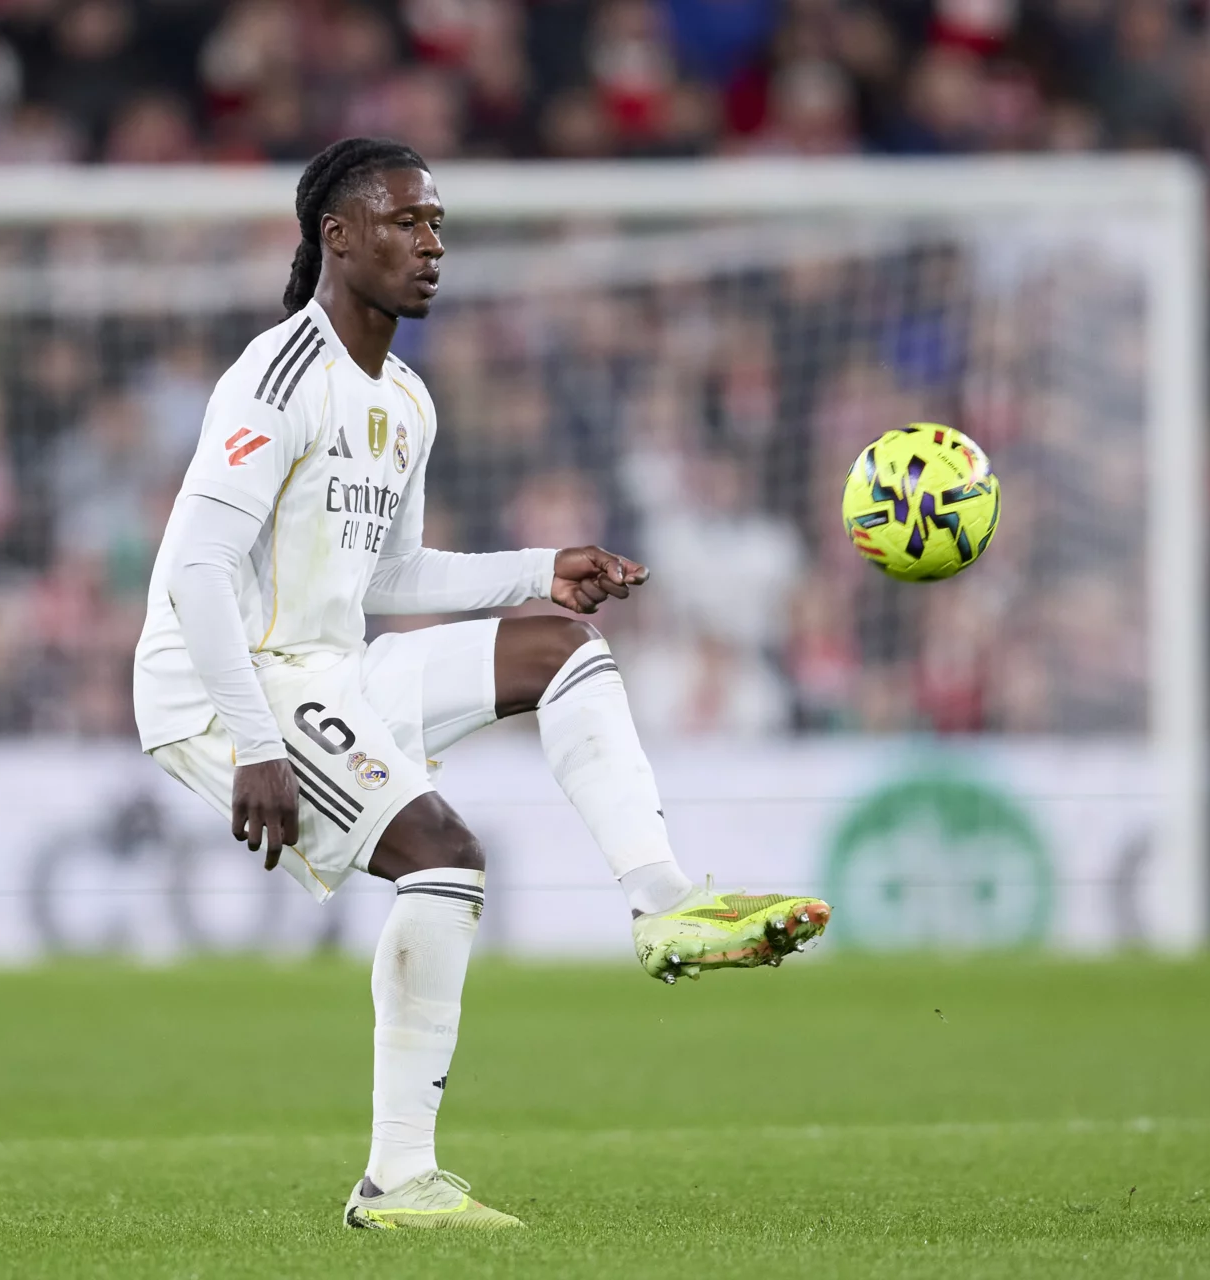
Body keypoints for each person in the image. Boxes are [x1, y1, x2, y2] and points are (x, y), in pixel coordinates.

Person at [132, 137, 831, 1230]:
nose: (431, 244)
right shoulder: (276, 377)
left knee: (559, 643)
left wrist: (537, 567)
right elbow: (195, 575)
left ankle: (665, 904)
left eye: (440, 225)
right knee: (445, 855)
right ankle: (398, 1180)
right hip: (221, 681)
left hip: (328, 663)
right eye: (407, 221)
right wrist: (251, 740)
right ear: (338, 235)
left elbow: (390, 573)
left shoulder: (405, 397)